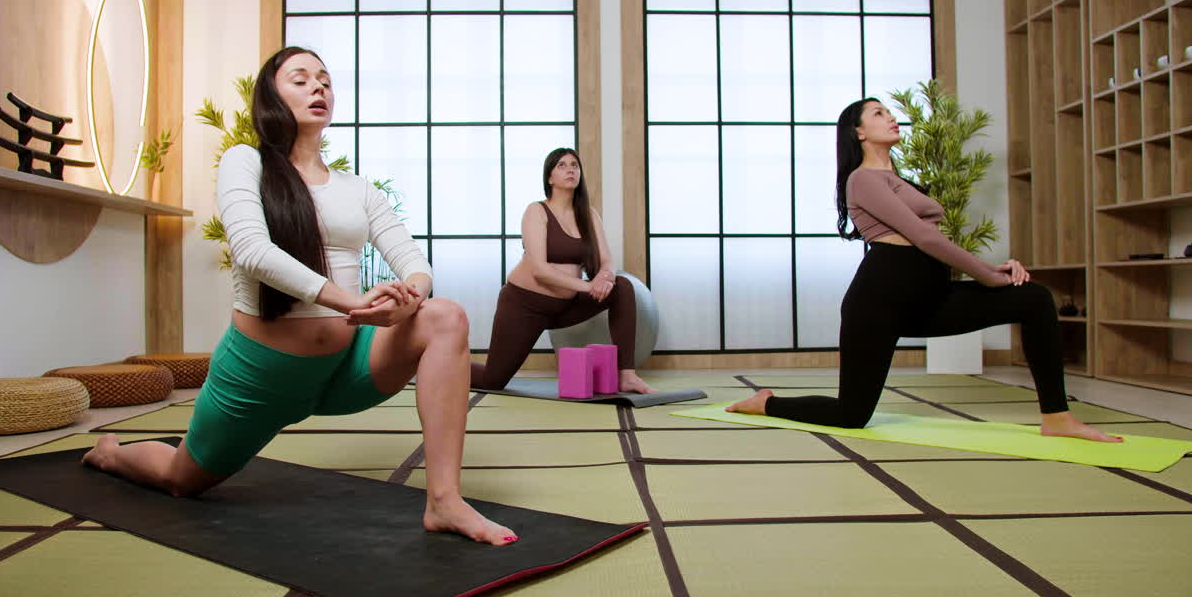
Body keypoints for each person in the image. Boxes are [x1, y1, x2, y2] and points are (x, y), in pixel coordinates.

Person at [82, 46, 518, 545]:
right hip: (260, 376)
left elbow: (415, 263)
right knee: (182, 478)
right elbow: (250, 250)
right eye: (301, 79)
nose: (318, 88)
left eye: (325, 81)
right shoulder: (245, 162)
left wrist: (409, 297)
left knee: (445, 316)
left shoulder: (358, 190)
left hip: (346, 369)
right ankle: (112, 453)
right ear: (271, 96)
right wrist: (351, 302)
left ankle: (445, 501)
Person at [728, 97, 1121, 444]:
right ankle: (768, 403)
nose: (892, 118)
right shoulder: (862, 179)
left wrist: (992, 269)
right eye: (879, 113)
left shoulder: (901, 181)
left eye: (889, 112)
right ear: (859, 132)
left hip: (930, 298)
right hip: (879, 303)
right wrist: (989, 276)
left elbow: (934, 241)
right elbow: (925, 238)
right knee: (851, 415)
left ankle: (1057, 417)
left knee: (1033, 298)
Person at [471, 147, 654, 394]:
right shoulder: (536, 211)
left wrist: (606, 278)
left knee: (622, 287)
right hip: (525, 305)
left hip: (565, 307)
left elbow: (606, 260)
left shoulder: (589, 215)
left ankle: (627, 375)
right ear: (549, 177)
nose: (570, 169)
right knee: (493, 381)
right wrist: (590, 286)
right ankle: (444, 362)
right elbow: (540, 270)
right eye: (562, 165)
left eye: (574, 165)